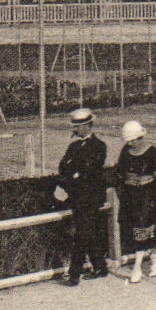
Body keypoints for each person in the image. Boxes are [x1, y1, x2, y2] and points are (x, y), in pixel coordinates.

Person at [55, 108, 110, 285]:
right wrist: (75, 174)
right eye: (74, 126)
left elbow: (91, 171)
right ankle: (100, 267)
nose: (75, 130)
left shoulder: (99, 146)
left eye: (78, 126)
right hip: (77, 197)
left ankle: (74, 275)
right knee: (89, 233)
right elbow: (63, 167)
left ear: (88, 126)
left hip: (91, 198)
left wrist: (75, 174)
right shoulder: (73, 146)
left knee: (82, 235)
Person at [114, 120, 156, 283]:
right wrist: (127, 179)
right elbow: (120, 173)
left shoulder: (152, 152)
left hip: (147, 197)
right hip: (130, 196)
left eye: (134, 140)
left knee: (142, 230)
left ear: (141, 137)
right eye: (128, 141)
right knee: (136, 232)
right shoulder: (125, 152)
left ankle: (136, 268)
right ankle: (155, 257)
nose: (131, 143)